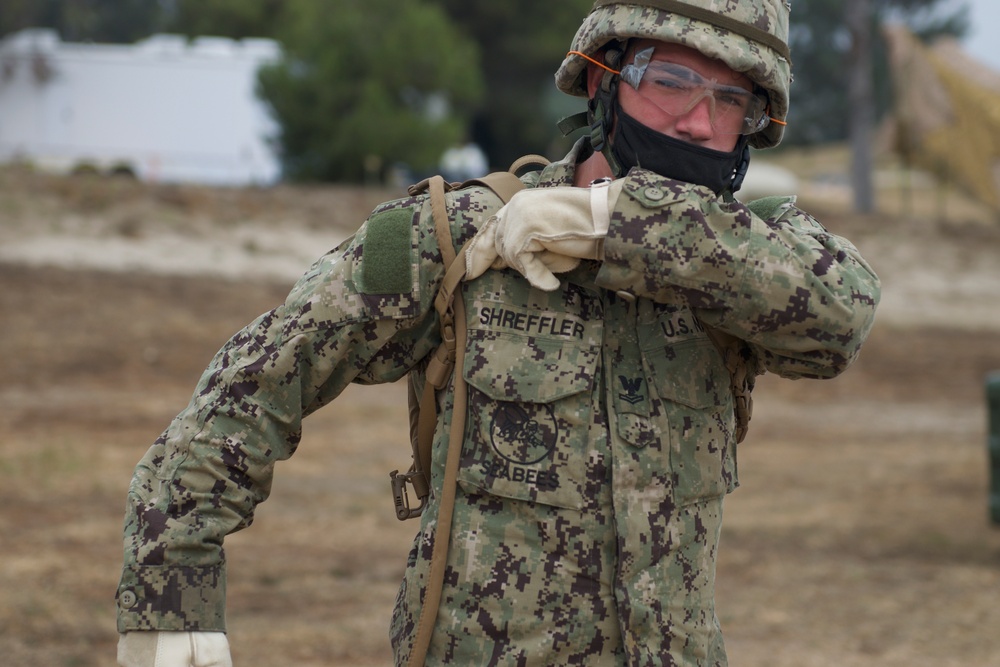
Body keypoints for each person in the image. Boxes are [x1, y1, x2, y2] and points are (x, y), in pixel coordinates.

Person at [116, 1, 881, 665]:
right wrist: (170, 600)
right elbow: (250, 387)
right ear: (599, 77)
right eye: (669, 80)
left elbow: (841, 315)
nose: (698, 119)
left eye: (731, 99)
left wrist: (620, 226)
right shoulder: (455, 238)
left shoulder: (742, 262)